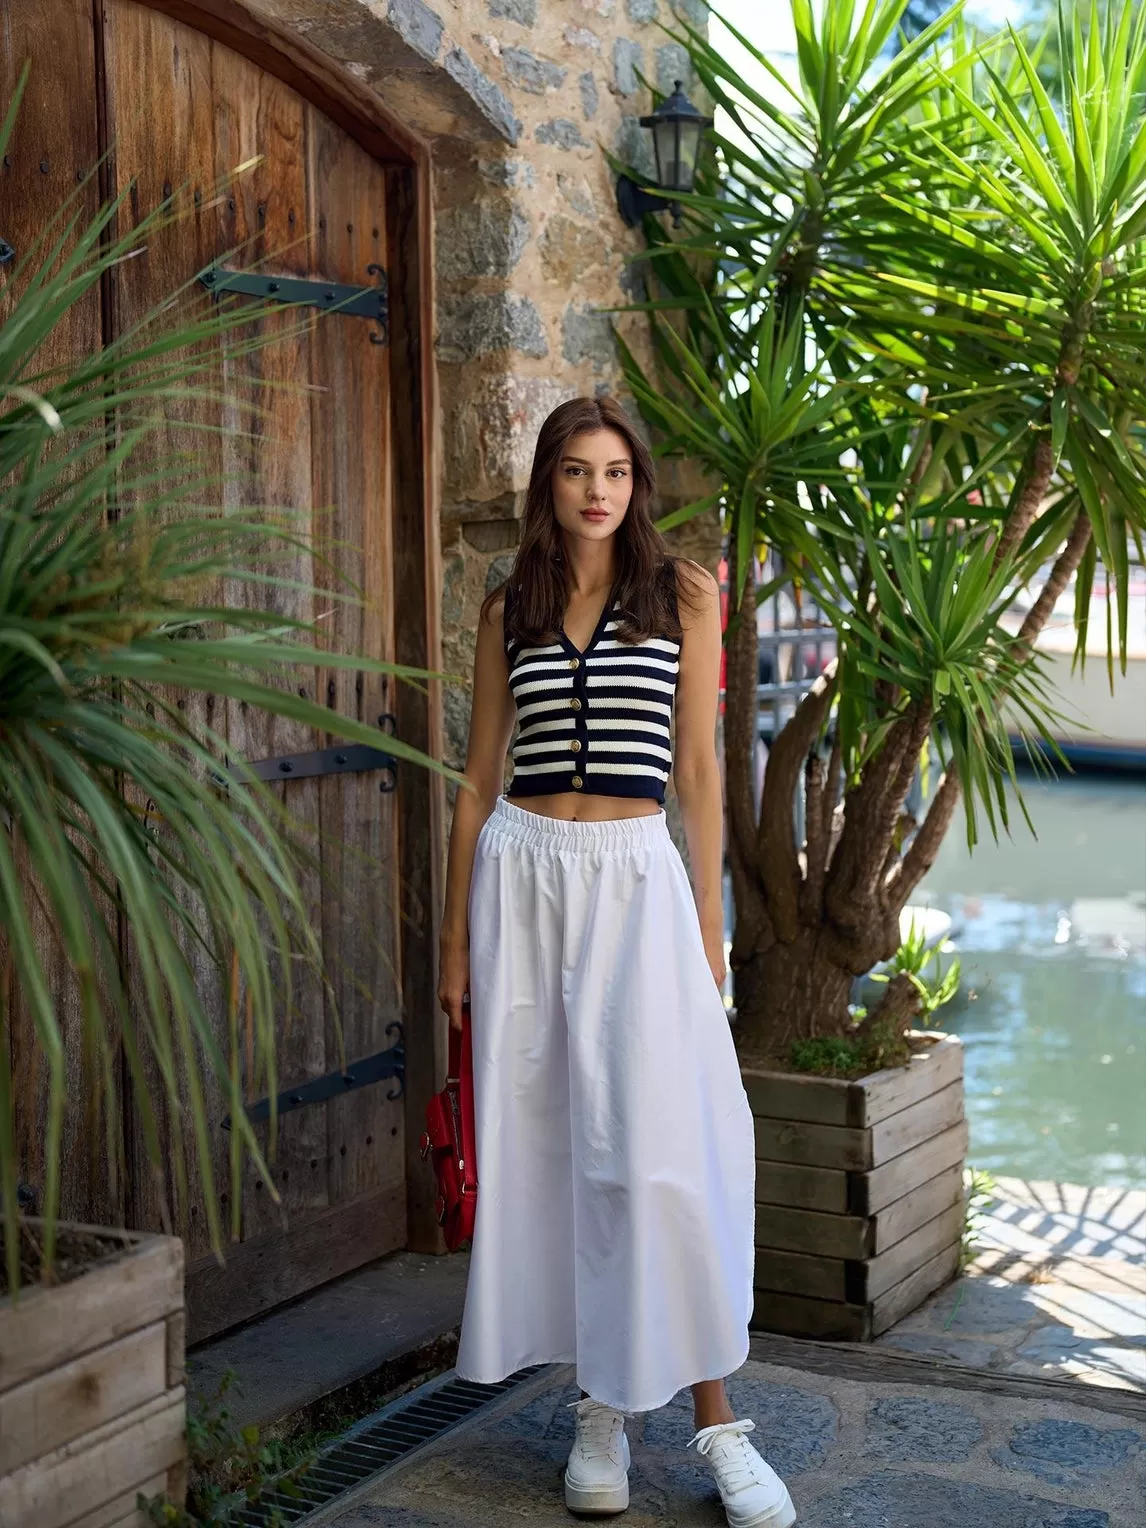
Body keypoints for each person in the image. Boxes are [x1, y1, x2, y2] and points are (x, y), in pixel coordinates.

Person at [437, 396, 796, 1528]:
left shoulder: (684, 595)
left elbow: (697, 766)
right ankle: (601, 1408)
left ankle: (716, 1420)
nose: (599, 491)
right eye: (577, 472)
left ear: (638, 485)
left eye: (618, 473)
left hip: (641, 886)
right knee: (551, 1150)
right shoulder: (510, 607)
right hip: (526, 880)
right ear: (547, 483)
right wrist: (452, 940)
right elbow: (477, 779)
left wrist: (707, 917)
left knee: (661, 1152)